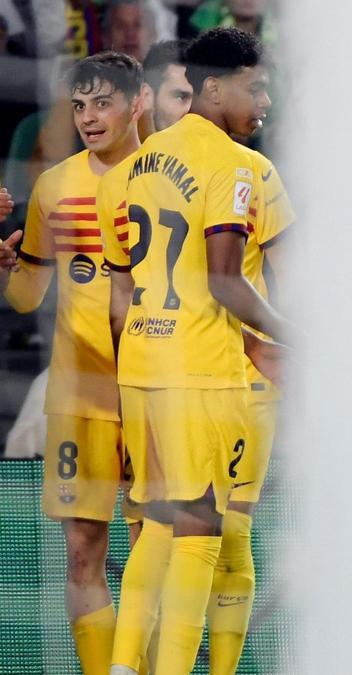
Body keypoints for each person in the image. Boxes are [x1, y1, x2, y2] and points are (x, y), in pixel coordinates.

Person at [101, 29, 295, 675]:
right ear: (214, 87)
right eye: (256, 86)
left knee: (159, 523)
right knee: (204, 529)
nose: (266, 99)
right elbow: (225, 277)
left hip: (143, 359)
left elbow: (123, 281)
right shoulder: (239, 165)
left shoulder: (142, 160)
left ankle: (126, 664)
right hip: (205, 366)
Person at [0, 51, 146, 675]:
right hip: (78, 390)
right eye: (78, 106)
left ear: (137, 103)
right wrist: (5, 267)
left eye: (102, 102)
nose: (88, 118)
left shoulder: (169, 177)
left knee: (154, 550)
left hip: (155, 389)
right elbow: (28, 294)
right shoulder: (55, 185)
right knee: (84, 552)